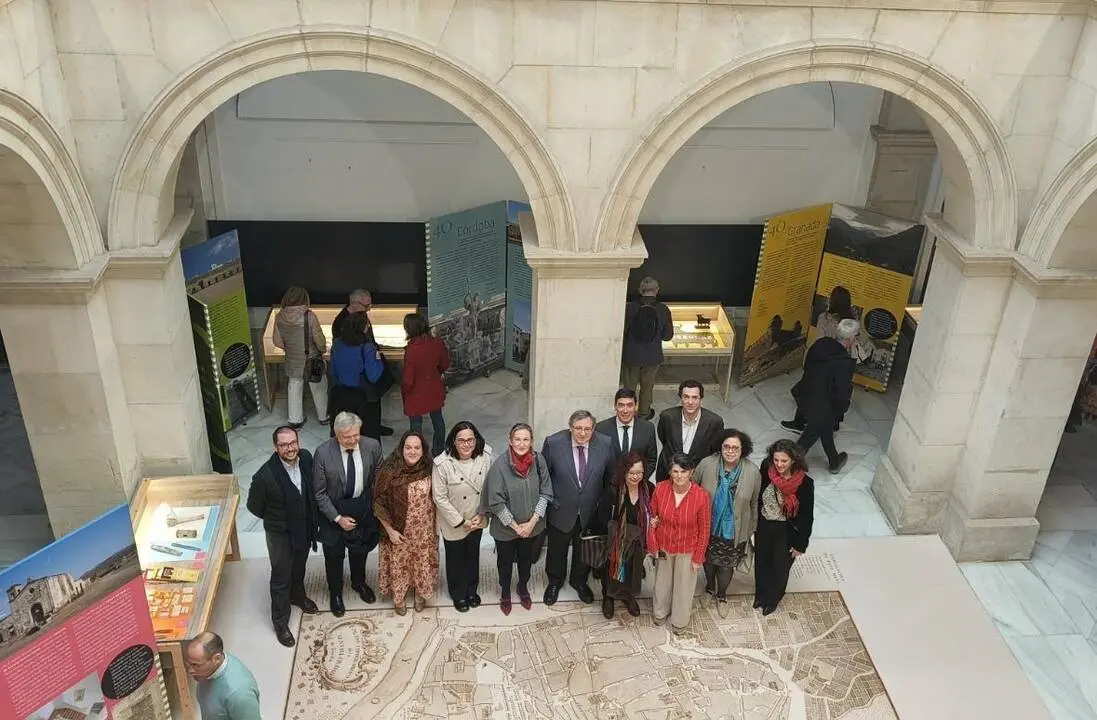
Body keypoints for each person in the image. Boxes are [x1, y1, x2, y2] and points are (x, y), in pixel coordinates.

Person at [245, 425, 319, 647]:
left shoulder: (306, 458)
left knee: (299, 566)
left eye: (293, 443)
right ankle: (280, 622)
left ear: (298, 442)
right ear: (275, 448)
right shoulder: (264, 477)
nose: (290, 448)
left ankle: (298, 596)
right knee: (281, 576)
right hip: (279, 534)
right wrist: (279, 519)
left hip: (303, 528)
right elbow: (254, 507)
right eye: (284, 445)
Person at [540, 410, 616, 606]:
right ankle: (555, 582)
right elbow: (544, 477)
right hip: (561, 510)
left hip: (590, 511)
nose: (583, 433)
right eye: (578, 428)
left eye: (588, 429)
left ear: (593, 429)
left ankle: (579, 581)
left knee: (584, 551)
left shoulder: (605, 444)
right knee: (556, 550)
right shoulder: (553, 443)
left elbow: (609, 478)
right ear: (570, 428)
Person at [312, 411, 383, 617]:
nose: (352, 440)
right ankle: (335, 593)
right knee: (334, 555)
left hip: (361, 507)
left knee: (360, 550)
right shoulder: (323, 453)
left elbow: (379, 479)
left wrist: (372, 507)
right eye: (347, 437)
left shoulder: (372, 446)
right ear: (336, 435)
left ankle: (359, 583)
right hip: (333, 511)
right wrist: (337, 518)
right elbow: (319, 493)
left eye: (356, 435)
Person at [481, 422, 552, 615]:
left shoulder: (539, 461)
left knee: (526, 560)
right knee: (504, 562)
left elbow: (546, 492)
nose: (521, 444)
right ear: (510, 441)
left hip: (532, 527)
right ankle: (505, 591)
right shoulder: (499, 466)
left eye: (525, 439)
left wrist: (531, 523)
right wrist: (516, 527)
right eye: (517, 439)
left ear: (532, 441)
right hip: (506, 529)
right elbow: (496, 501)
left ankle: (522, 587)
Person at [783, 286, 871, 432]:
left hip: (824, 360)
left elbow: (819, 340)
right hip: (842, 363)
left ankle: (799, 422)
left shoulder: (824, 318)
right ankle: (833, 424)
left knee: (808, 390)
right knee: (834, 393)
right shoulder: (851, 322)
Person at [693, 429, 761, 617]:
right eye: (727, 447)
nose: (730, 451)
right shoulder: (707, 464)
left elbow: (754, 502)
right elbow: (693, 490)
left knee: (725, 566)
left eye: (735, 448)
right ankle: (709, 588)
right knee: (708, 561)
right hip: (707, 525)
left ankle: (722, 595)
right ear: (720, 447)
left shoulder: (752, 471)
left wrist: (752, 528)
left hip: (734, 529)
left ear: (742, 449)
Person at [373, 431, 439, 615]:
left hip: (423, 531)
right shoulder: (389, 470)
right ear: (401, 449)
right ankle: (399, 598)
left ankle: (420, 594)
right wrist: (390, 531)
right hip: (398, 531)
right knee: (399, 565)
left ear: (423, 450)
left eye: (417, 448)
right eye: (408, 447)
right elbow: (378, 503)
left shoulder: (429, 467)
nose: (412, 451)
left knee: (421, 563)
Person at [647, 453, 711, 634]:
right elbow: (652, 516)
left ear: (691, 472)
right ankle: (660, 612)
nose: (679, 476)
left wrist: (698, 557)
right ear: (669, 472)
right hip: (664, 545)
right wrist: (653, 543)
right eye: (675, 471)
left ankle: (680, 621)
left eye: (684, 471)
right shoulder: (660, 489)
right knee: (662, 583)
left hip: (687, 549)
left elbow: (705, 529)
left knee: (684, 587)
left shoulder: (701, 496)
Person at [433, 421, 493, 612]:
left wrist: (482, 513)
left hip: (477, 517)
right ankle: (458, 593)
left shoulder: (485, 456)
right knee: (455, 558)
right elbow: (439, 497)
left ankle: (472, 590)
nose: (466, 444)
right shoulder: (442, 463)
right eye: (461, 440)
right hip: (454, 521)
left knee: (472, 555)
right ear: (453, 441)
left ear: (476, 440)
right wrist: (460, 521)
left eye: (470, 440)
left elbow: (490, 487)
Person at [788, 319, 859, 473]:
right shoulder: (844, 363)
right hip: (823, 406)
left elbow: (807, 366)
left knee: (824, 428)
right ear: (851, 338)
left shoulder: (821, 343)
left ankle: (834, 461)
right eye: (856, 336)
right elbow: (841, 391)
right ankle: (788, 465)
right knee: (810, 436)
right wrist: (841, 408)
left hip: (806, 394)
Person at [754, 439, 815, 616]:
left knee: (780, 567)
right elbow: (758, 497)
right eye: (776, 460)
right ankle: (760, 595)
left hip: (786, 531)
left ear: (793, 460)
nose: (779, 464)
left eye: (784, 461)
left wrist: (801, 544)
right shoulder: (766, 470)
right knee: (761, 562)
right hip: (764, 525)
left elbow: (807, 516)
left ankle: (772, 599)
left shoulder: (805, 483)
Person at [592, 451, 652, 619]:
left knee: (632, 570)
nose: (635, 477)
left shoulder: (648, 489)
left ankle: (627, 596)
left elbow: (653, 512)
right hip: (616, 542)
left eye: (639, 472)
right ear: (623, 471)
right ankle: (608, 597)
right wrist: (617, 536)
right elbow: (602, 519)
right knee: (611, 571)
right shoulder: (613, 491)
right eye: (631, 472)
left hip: (637, 542)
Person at [332, 288, 394, 436]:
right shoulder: (342, 323)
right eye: (366, 306)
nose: (368, 309)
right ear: (354, 303)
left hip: (351, 381)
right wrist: (374, 357)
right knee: (368, 411)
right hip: (362, 378)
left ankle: (374, 426)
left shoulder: (359, 317)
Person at [272, 286, 328, 429]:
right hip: (312, 358)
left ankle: (295, 420)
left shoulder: (279, 316)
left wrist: (289, 349)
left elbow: (276, 341)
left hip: (292, 359)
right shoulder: (309, 316)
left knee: (294, 386)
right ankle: (323, 416)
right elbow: (319, 339)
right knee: (318, 387)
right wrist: (323, 349)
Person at [621, 276, 674, 420]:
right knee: (647, 387)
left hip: (631, 355)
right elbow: (667, 336)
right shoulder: (663, 309)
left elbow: (622, 332)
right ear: (657, 290)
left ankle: (627, 414)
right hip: (653, 356)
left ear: (640, 290)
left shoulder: (629, 308)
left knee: (629, 388)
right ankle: (644, 413)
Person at [328, 313, 385, 440]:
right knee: (368, 435)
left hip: (342, 395)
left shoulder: (337, 343)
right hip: (364, 397)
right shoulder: (367, 348)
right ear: (363, 327)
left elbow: (333, 371)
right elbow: (373, 376)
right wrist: (378, 360)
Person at [400, 312, 450, 454]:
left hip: (416, 393)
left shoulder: (411, 351)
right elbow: (444, 364)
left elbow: (408, 380)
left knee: (416, 424)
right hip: (434, 387)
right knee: (438, 419)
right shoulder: (437, 343)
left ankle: (417, 453)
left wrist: (404, 389)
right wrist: (436, 373)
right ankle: (439, 450)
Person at [656, 379, 725, 481]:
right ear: (681, 398)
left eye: (695, 397)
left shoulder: (714, 422)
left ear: (701, 399)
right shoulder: (667, 417)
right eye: (686, 397)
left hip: (698, 475)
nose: (690, 402)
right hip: (669, 473)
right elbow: (663, 438)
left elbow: (715, 450)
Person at [185, 632, 261, 720]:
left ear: (217, 659)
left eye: (196, 665)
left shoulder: (239, 694)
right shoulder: (210, 668)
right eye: (189, 664)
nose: (190, 671)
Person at [595, 388, 658, 484]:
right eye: (621, 405)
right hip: (609, 486)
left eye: (629, 405)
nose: (625, 410)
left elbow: (651, 460)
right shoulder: (601, 429)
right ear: (615, 406)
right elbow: (597, 460)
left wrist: (638, 480)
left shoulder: (647, 428)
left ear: (636, 406)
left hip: (637, 486)